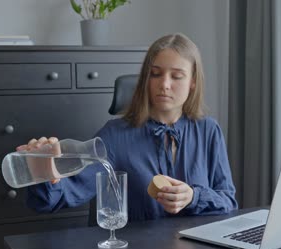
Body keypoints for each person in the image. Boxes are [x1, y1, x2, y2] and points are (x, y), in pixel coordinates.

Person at [21, 33, 238, 221]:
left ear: (193, 82)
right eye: (156, 74)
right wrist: (43, 174)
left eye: (177, 76)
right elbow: (56, 199)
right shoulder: (115, 136)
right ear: (146, 78)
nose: (164, 84)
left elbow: (228, 201)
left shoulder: (208, 130)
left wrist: (193, 197)